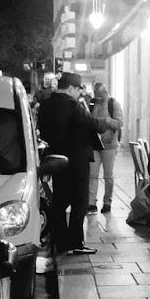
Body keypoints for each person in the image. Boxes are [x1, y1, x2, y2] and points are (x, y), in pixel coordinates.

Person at [37, 70, 103, 255]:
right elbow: (92, 124)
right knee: (80, 202)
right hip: (76, 160)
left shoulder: (46, 105)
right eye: (78, 89)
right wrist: (105, 123)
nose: (79, 93)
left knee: (59, 201)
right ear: (72, 88)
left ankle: (60, 240)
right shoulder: (73, 105)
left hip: (57, 159)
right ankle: (75, 242)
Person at [88, 81, 124, 214]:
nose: (98, 97)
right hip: (94, 143)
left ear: (105, 92)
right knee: (92, 174)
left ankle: (107, 202)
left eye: (100, 95)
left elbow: (120, 123)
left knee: (108, 176)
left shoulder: (113, 104)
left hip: (109, 145)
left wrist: (106, 121)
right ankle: (91, 202)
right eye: (96, 95)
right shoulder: (92, 103)